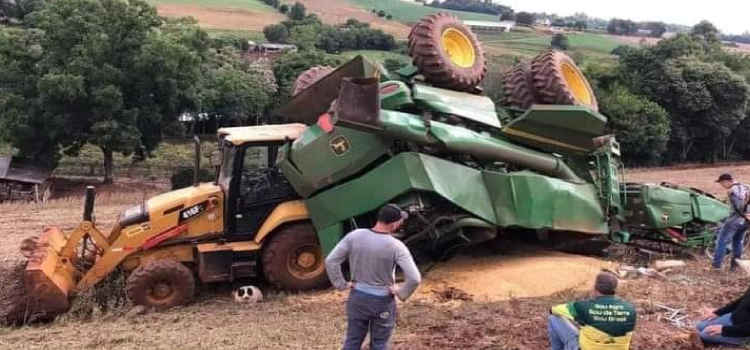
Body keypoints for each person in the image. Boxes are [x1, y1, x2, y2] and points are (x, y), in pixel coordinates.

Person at [325, 203, 422, 350]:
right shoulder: (396, 246)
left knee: (352, 341)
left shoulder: (355, 236)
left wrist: (341, 284)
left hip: (357, 297)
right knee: (379, 344)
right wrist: (400, 292)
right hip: (382, 301)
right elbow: (414, 278)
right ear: (395, 223)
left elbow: (331, 260)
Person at [548, 271, 637, 350]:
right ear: (615, 289)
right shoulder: (631, 309)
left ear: (595, 289)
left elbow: (554, 309)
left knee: (553, 318)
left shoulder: (583, 307)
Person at [691, 284, 750, 348]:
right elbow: (741, 300)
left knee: (704, 335)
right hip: (734, 317)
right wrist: (718, 313)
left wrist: (724, 330)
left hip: (743, 333)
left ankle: (740, 342)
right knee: (699, 325)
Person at [713, 173, 750, 271]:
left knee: (721, 241)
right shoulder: (746, 186)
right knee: (738, 242)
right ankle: (734, 267)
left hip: (735, 220)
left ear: (727, 181)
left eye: (721, 183)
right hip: (746, 221)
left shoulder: (733, 190)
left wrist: (743, 214)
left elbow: (739, 207)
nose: (722, 186)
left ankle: (716, 266)